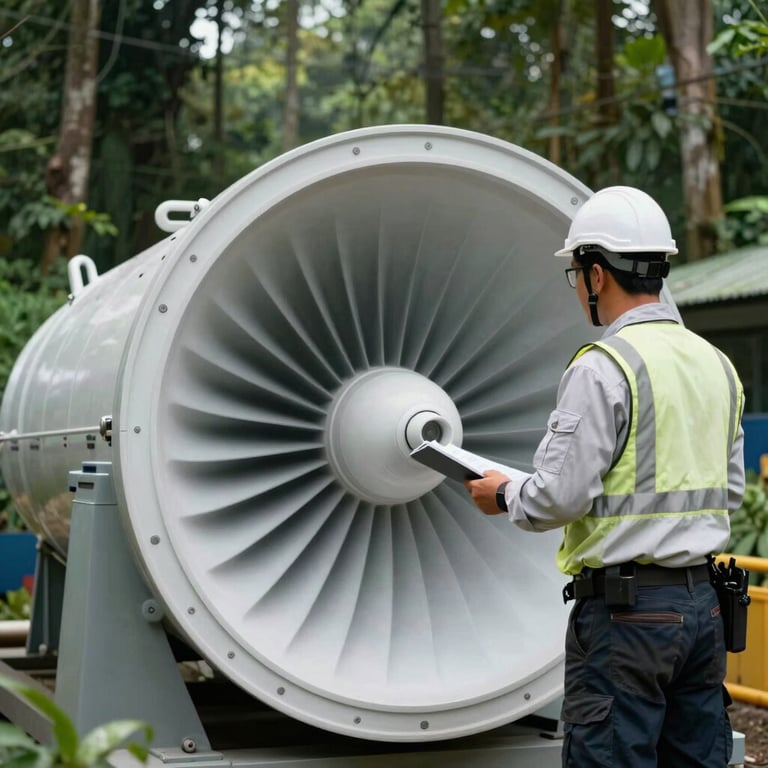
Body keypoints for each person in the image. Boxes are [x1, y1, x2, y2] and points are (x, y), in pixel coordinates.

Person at [465, 185, 745, 768]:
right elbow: (732, 491)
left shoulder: (605, 367)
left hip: (628, 617)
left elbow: (557, 500)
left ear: (597, 274)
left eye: (577, 274)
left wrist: (505, 493)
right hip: (704, 612)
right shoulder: (716, 364)